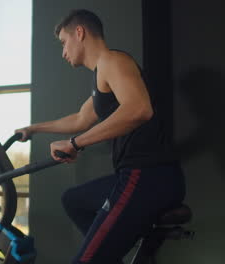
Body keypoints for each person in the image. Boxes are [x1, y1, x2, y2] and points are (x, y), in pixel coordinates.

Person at [15, 9, 185, 264]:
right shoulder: (102, 75)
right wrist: (34, 128)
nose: (63, 52)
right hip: (144, 176)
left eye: (64, 42)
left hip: (147, 175)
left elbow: (139, 109)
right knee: (73, 200)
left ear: (79, 33)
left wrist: (75, 144)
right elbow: (79, 119)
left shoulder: (112, 61)